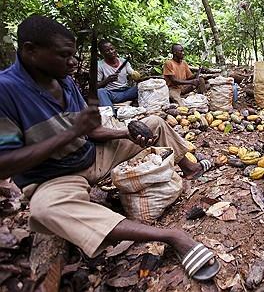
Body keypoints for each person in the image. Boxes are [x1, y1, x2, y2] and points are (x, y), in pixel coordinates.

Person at [0, 15, 219, 281]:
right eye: (63, 56)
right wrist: (73, 131)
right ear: (30, 51)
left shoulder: (64, 80)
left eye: (73, 55)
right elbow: (6, 164)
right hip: (55, 176)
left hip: (92, 154)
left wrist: (127, 131)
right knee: (45, 210)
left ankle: (191, 167)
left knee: (154, 122)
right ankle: (172, 236)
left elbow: (91, 131)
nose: (71, 62)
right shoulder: (6, 91)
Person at [97, 40, 138, 107]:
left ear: (115, 49)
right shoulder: (99, 65)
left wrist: (135, 75)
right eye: (107, 51)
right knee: (100, 92)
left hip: (126, 91)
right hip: (113, 94)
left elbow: (131, 72)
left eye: (112, 49)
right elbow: (96, 86)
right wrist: (107, 80)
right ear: (102, 53)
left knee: (141, 87)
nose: (111, 52)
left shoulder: (123, 61)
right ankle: (110, 114)